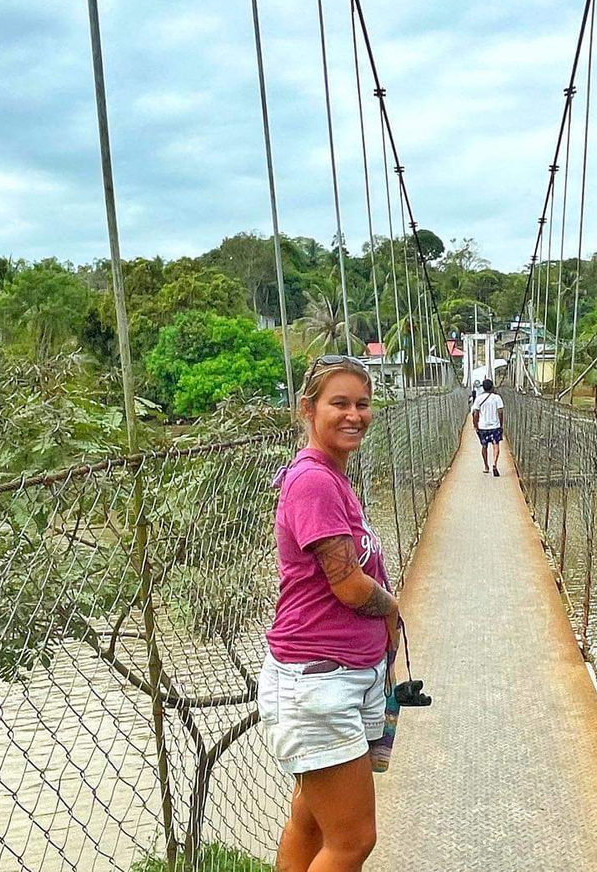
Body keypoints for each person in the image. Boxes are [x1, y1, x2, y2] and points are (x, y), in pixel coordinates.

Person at [258, 354, 400, 872]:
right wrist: (394, 609)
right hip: (319, 681)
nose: (354, 415)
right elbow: (347, 585)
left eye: (362, 404)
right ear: (307, 408)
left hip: (340, 674)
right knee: (353, 840)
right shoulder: (314, 481)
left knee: (313, 820)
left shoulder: (331, 477)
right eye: (338, 403)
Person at [471, 377, 505, 476]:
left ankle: (486, 466)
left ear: (483, 388)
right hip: (495, 426)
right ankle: (494, 463)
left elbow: (475, 413)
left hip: (483, 427)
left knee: (484, 446)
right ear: (492, 387)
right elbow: (500, 412)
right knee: (496, 445)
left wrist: (475, 425)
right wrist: (500, 424)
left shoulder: (479, 399)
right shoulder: (497, 398)